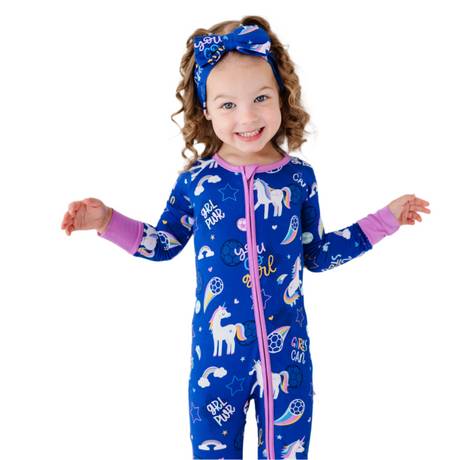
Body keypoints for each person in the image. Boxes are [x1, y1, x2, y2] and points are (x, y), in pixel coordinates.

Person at [60, 16, 430, 460]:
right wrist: (106, 221)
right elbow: (163, 244)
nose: (248, 116)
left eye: (260, 98)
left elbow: (316, 254)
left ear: (282, 96)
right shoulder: (197, 183)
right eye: (228, 104)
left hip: (287, 359)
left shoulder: (298, 178)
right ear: (206, 110)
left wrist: (385, 220)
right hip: (215, 364)